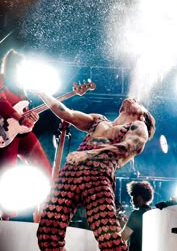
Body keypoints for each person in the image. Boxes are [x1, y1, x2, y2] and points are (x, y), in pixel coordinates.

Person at [32, 91, 155, 251]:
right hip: (70, 173)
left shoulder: (139, 126)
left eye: (138, 102)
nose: (133, 99)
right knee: (48, 233)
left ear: (142, 116)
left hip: (97, 177)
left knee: (108, 237)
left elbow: (126, 147)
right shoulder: (99, 120)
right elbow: (67, 114)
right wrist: (42, 92)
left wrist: (87, 154)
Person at [0, 49, 52, 220]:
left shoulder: (22, 88)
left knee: (45, 170)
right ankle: (5, 218)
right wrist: (18, 117)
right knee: (6, 175)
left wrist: (32, 120)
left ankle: (42, 214)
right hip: (5, 134)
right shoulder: (1, 79)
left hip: (22, 134)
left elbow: (26, 118)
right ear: (12, 66)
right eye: (20, 66)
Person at [121, 180, 154, 251]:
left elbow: (123, 237)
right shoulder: (153, 214)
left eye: (134, 196)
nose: (132, 200)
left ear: (140, 196)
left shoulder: (136, 214)